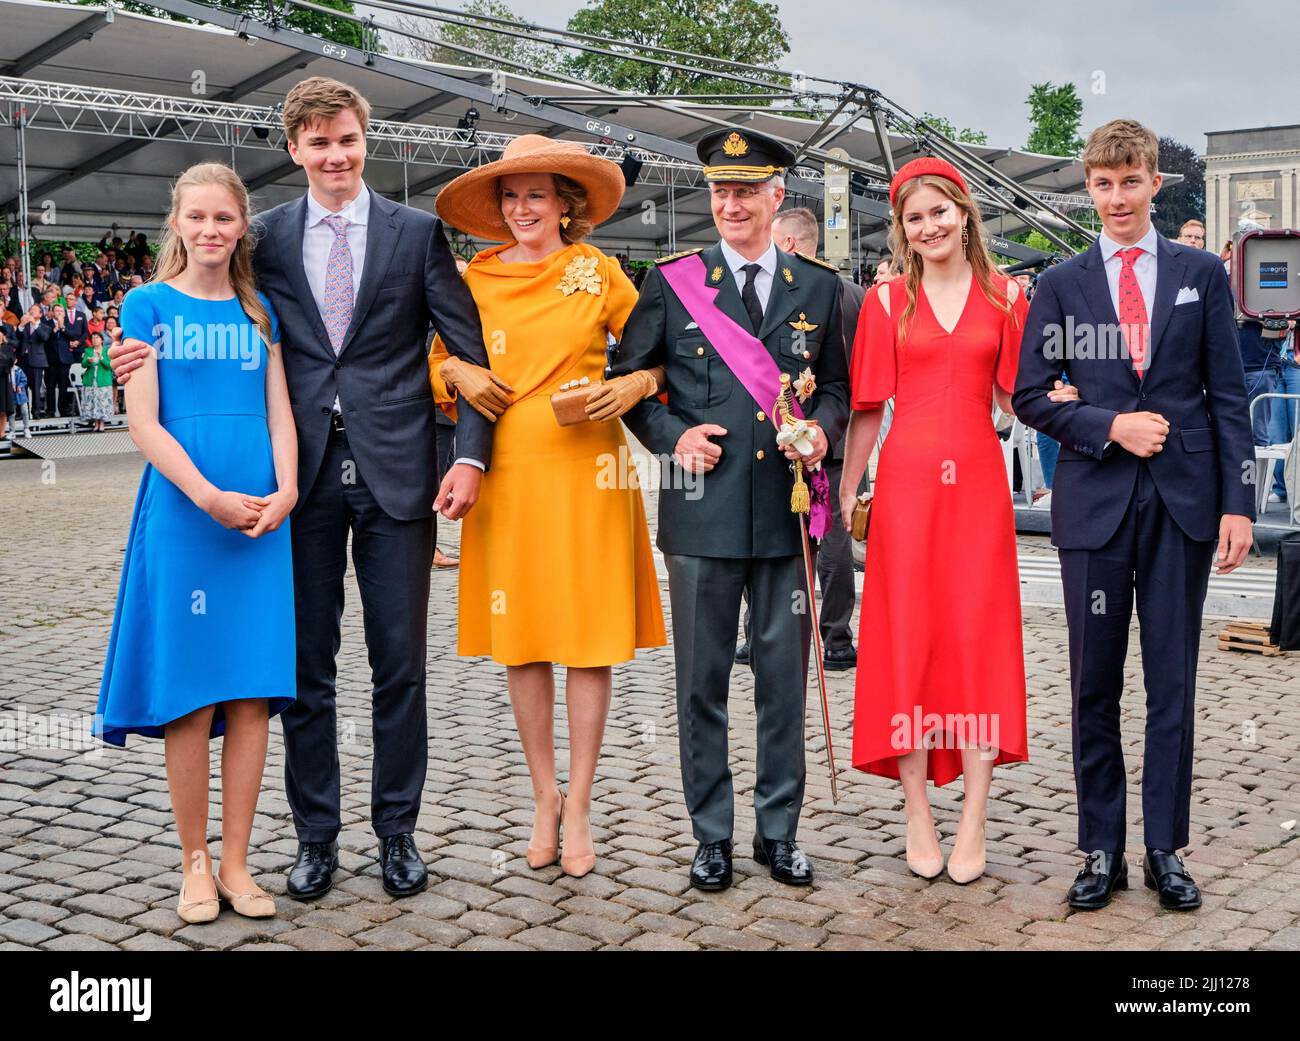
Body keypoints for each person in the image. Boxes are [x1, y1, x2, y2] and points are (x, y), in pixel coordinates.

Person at [112, 76, 499, 902]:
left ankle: (397, 832)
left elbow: (467, 353)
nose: (335, 155)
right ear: (294, 150)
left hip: (402, 477)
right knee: (305, 671)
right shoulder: (269, 238)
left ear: (368, 141)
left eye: (347, 139)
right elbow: (204, 300)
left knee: (399, 666)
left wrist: (470, 456)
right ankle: (315, 838)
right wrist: (133, 357)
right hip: (302, 484)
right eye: (318, 143)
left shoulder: (417, 233)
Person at [1013, 119, 1256, 912]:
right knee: (1093, 684)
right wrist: (1108, 425)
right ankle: (1100, 846)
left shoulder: (1200, 275)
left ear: (1156, 182)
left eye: (1130, 181)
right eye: (1103, 183)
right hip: (1096, 505)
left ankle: (1164, 848)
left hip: (1184, 505)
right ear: (1089, 189)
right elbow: (1029, 396)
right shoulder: (1060, 285)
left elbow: (1228, 395)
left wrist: (1239, 502)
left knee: (1171, 683)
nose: (1116, 197)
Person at [612, 127, 850, 891]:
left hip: (785, 519)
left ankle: (777, 833)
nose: (732, 204)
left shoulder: (819, 287)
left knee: (782, 681)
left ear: (779, 196)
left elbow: (841, 388)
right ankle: (710, 833)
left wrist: (822, 431)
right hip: (702, 515)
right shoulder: (674, 280)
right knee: (701, 683)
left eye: (747, 190)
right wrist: (674, 439)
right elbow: (633, 383)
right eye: (721, 191)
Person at [430, 134, 667, 878]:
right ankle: (543, 796)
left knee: (589, 638)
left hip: (588, 470)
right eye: (510, 195)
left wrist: (632, 387)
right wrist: (459, 375)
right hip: (505, 473)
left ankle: (585, 801)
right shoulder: (474, 276)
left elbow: (660, 352)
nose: (521, 207)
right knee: (523, 639)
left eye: (536, 194)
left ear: (567, 205)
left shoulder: (599, 271)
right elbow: (434, 356)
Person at [95, 162, 298, 925]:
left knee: (250, 693)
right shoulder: (145, 306)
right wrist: (207, 495)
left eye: (225, 218)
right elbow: (143, 422)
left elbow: (280, 413)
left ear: (243, 227)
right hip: (186, 513)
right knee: (192, 695)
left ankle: (239, 861)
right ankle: (193, 860)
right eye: (197, 217)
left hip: (260, 520)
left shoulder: (260, 310)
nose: (211, 230)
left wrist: (288, 489)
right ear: (176, 223)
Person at [840, 157, 1039, 885]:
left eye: (939, 213)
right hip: (908, 490)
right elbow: (866, 408)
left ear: (964, 212)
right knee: (910, 644)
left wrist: (1086, 413)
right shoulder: (886, 301)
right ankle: (917, 809)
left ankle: (976, 817)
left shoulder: (1008, 295)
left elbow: (1024, 401)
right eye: (914, 218)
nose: (929, 228)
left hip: (980, 491)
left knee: (978, 644)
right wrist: (842, 489)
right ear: (903, 228)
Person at [771, 205, 862, 671]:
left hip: (795, 437)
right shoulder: (853, 293)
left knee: (790, 541)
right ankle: (838, 639)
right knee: (833, 542)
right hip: (839, 433)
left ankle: (764, 634)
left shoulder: (797, 291)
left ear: (787, 244)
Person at [81, 330, 116, 431]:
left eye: (97, 338)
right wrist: (88, 361)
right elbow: (83, 364)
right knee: (93, 402)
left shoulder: (107, 350)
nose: (94, 340)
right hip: (91, 379)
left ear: (101, 340)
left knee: (103, 401)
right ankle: (96, 423)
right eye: (93, 338)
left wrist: (101, 358)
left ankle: (102, 424)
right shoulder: (88, 350)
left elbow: (110, 365)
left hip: (103, 380)